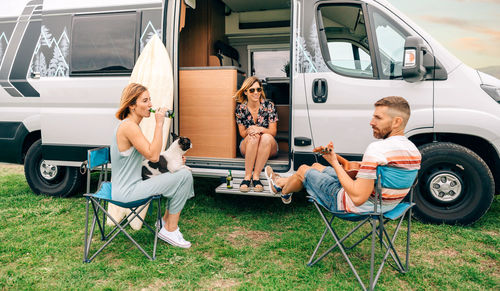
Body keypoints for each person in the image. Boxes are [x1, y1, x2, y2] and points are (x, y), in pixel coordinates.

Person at [265, 96, 421, 211]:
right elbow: (360, 172)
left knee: (304, 170)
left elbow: (358, 198)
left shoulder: (377, 149)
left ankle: (281, 189)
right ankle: (283, 182)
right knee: (317, 165)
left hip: (351, 205)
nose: (371, 122)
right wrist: (335, 157)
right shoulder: (414, 152)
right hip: (386, 206)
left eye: (378, 118)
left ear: (396, 122)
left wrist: (333, 163)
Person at [111, 83, 194, 248]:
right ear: (132, 105)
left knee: (179, 174)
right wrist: (159, 124)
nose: (150, 105)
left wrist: (175, 159)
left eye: (150, 100)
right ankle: (169, 229)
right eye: (145, 101)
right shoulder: (129, 127)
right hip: (128, 192)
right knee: (184, 176)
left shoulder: (130, 125)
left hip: (127, 187)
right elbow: (154, 156)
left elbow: (151, 156)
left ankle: (165, 223)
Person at [234, 76, 279, 192]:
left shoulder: (269, 106)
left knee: (265, 137)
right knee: (254, 137)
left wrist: (259, 129)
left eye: (258, 90)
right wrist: (250, 131)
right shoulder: (241, 108)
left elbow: (273, 132)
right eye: (252, 90)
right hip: (249, 145)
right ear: (245, 92)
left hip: (268, 146)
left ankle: (256, 177)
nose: (256, 93)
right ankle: (247, 177)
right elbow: (242, 134)